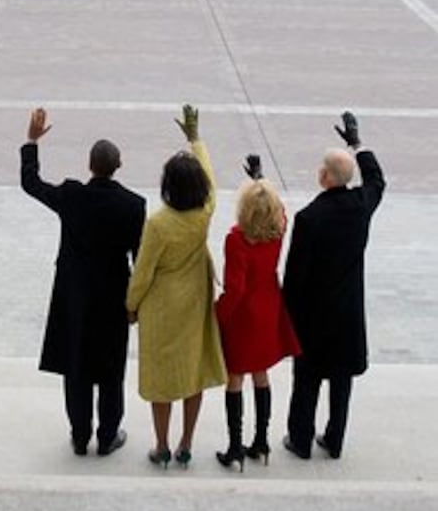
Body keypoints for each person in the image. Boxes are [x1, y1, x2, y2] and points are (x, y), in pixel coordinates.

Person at [21, 107, 145, 457]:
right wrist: (136, 303)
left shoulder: (72, 197)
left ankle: (79, 434)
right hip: (113, 296)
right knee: (110, 368)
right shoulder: (133, 205)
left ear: (90, 165)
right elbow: (140, 258)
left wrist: (31, 141)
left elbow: (31, 184)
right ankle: (107, 436)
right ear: (118, 165)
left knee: (76, 366)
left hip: (74, 296)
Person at [126, 105, 226, 469]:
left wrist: (131, 305)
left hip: (163, 308)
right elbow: (212, 181)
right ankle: (187, 443)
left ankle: (162, 444)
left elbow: (143, 271)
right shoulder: (205, 212)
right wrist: (196, 139)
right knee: (193, 373)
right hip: (196, 302)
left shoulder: (158, 224)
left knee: (163, 378)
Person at [282, 111, 385, 460]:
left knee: (306, 382)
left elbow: (295, 277)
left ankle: (300, 439)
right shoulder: (361, 206)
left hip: (313, 316)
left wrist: (288, 318)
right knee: (342, 383)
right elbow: (376, 180)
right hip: (348, 314)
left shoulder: (309, 218)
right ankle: (334, 439)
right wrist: (357, 144)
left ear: (325, 176)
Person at [214, 156, 301, 471]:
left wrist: (217, 315)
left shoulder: (236, 239)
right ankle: (261, 440)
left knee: (235, 377)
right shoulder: (278, 229)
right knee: (261, 373)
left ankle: (235, 445)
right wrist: (260, 179)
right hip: (269, 307)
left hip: (243, 315)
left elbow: (234, 290)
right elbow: (280, 210)